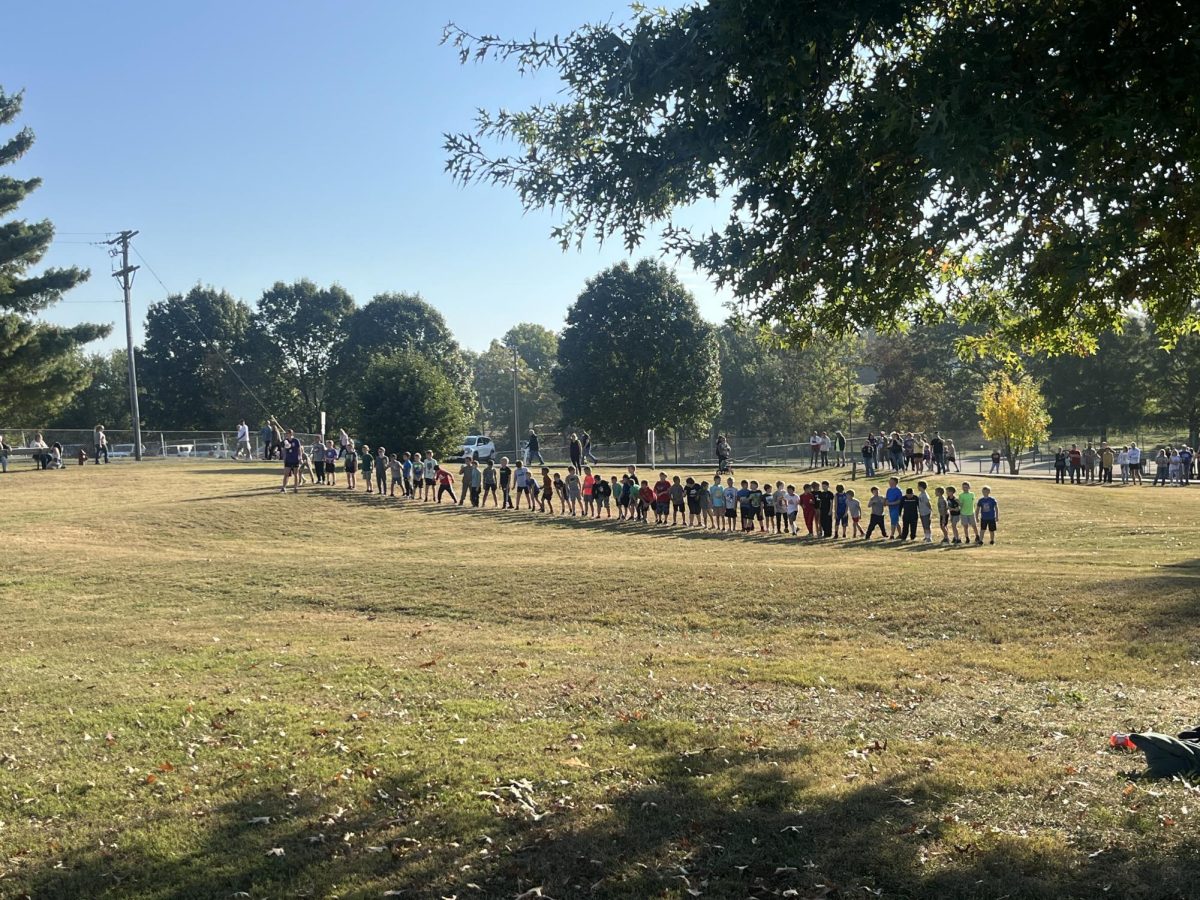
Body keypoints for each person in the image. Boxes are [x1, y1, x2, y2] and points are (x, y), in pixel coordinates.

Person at [279, 429, 302, 493]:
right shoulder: (285, 441)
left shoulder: (296, 440)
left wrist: (300, 457)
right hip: (288, 459)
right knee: (286, 474)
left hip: (295, 459)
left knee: (296, 474)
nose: (286, 434)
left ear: (291, 433)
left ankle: (295, 487)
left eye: (288, 433)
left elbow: (299, 449)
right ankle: (284, 487)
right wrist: (284, 457)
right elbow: (283, 449)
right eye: (286, 433)